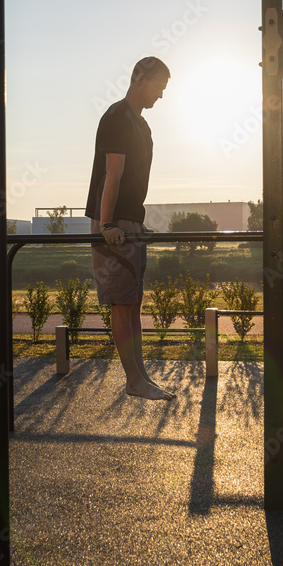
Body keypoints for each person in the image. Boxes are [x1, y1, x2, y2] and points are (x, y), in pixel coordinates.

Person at [86, 57, 175, 401]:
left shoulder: (142, 125)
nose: (161, 96)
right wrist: (107, 224)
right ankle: (134, 381)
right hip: (113, 221)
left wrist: (136, 222)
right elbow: (113, 174)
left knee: (133, 301)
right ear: (139, 78)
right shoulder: (117, 118)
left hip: (130, 221)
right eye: (158, 87)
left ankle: (140, 376)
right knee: (122, 304)